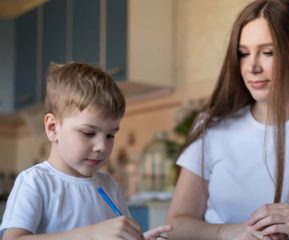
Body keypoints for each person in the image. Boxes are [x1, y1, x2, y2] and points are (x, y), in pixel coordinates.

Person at [167, 0, 289, 239]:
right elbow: (176, 225)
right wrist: (232, 233)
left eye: (268, 52)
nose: (252, 67)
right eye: (243, 54)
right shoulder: (212, 126)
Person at [0, 63, 172, 240]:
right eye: (88, 133)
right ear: (52, 128)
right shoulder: (35, 182)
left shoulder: (109, 185)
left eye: (110, 135)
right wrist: (91, 234)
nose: (102, 146)